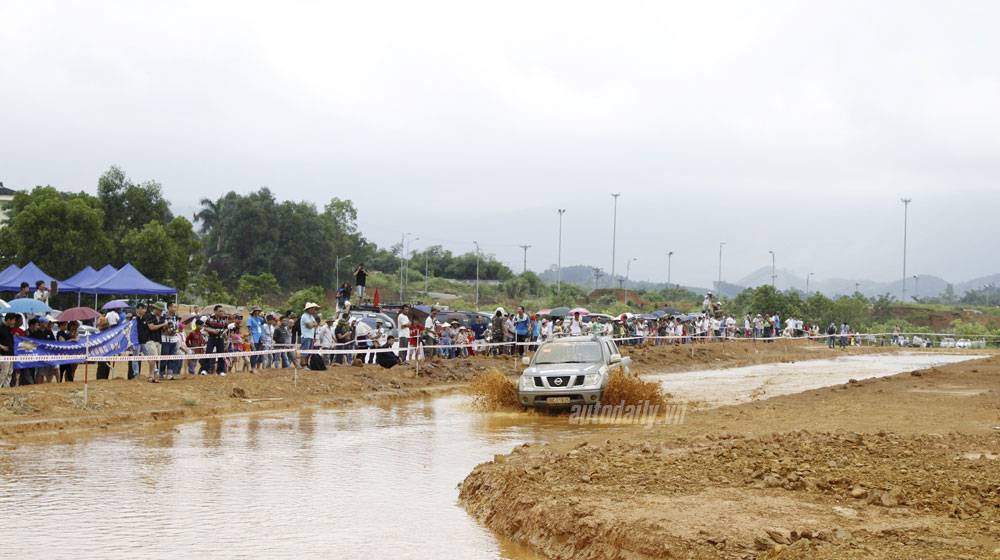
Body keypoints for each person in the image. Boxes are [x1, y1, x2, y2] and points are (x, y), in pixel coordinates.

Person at [203, 305, 229, 376]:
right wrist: (212, 330)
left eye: (222, 311)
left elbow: (226, 327)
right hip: (211, 338)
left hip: (220, 338)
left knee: (221, 354)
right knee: (208, 353)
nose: (221, 312)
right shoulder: (210, 319)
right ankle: (205, 369)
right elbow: (205, 328)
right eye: (220, 311)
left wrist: (224, 332)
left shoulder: (224, 319)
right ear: (215, 311)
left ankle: (220, 371)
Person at [161, 302, 182, 376]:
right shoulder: (163, 316)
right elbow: (162, 329)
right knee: (164, 356)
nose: (175, 309)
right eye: (174, 307)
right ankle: (162, 373)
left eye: (176, 307)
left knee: (172, 357)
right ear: (169, 307)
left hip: (174, 339)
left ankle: (169, 374)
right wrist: (167, 330)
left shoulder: (176, 317)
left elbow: (177, 327)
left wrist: (175, 331)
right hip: (165, 340)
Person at [299, 302, 320, 367]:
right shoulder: (304, 316)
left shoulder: (311, 316)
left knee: (308, 351)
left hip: (310, 336)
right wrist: (312, 324)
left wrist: (312, 325)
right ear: (309, 309)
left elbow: (315, 324)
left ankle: (306, 364)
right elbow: (310, 325)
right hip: (306, 336)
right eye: (313, 309)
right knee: (305, 351)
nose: (314, 310)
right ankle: (304, 364)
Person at [246, 306, 265, 371]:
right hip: (254, 338)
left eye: (259, 311)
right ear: (254, 311)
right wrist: (251, 339)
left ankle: (256, 367)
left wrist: (263, 316)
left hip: (259, 338)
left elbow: (264, 321)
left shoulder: (258, 319)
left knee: (257, 353)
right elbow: (249, 329)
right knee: (253, 353)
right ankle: (253, 367)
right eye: (257, 311)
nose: (258, 312)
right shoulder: (250, 319)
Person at [0, 313, 15, 387]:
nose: (14, 322)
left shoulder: (9, 329)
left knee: (10, 372)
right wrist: (1, 346)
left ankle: (6, 386)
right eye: (13, 320)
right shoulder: (1, 328)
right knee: (4, 371)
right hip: (3, 354)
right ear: (8, 320)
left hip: (11, 353)